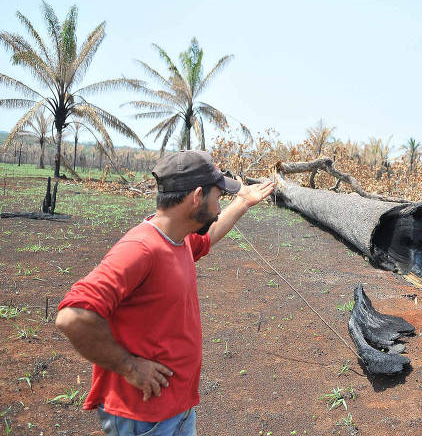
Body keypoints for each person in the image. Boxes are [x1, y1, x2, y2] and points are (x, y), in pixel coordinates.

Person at [56, 150, 274, 435]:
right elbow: (71, 317)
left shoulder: (179, 239)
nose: (219, 208)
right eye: (217, 198)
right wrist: (129, 366)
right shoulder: (141, 249)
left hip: (176, 410)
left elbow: (208, 237)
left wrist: (242, 203)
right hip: (145, 418)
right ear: (197, 197)